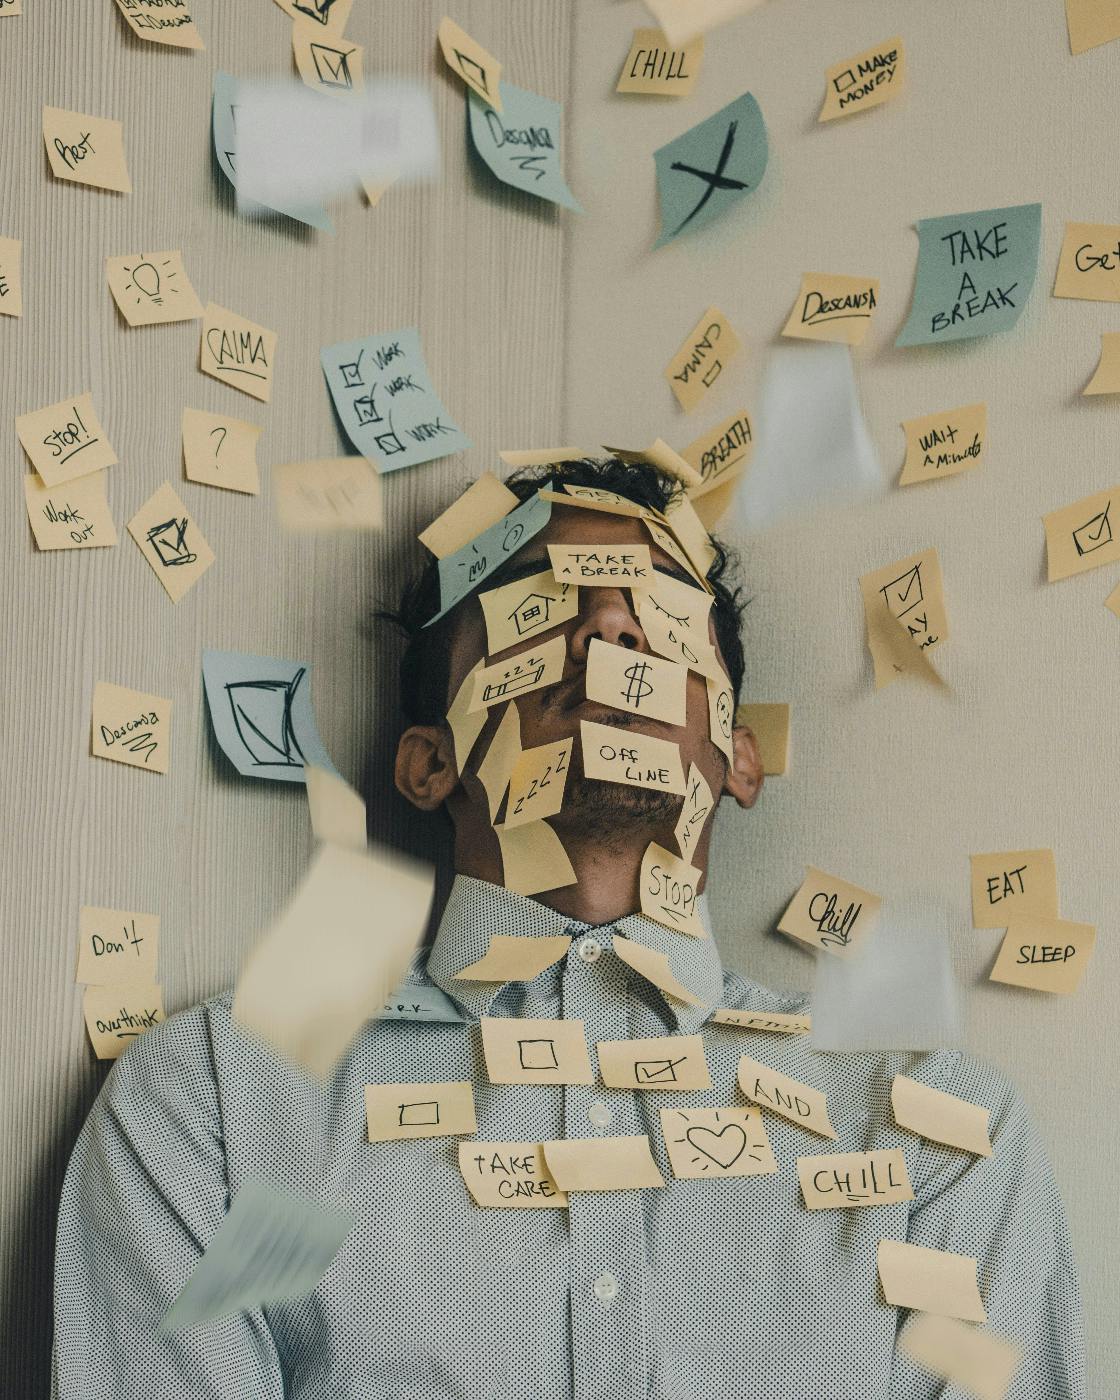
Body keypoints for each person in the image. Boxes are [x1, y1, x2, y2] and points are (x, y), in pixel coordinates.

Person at [53, 458, 1085, 1399]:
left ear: (735, 754)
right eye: (539, 603)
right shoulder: (219, 1102)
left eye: (659, 612)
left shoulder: (940, 1138)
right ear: (429, 762)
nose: (607, 629)